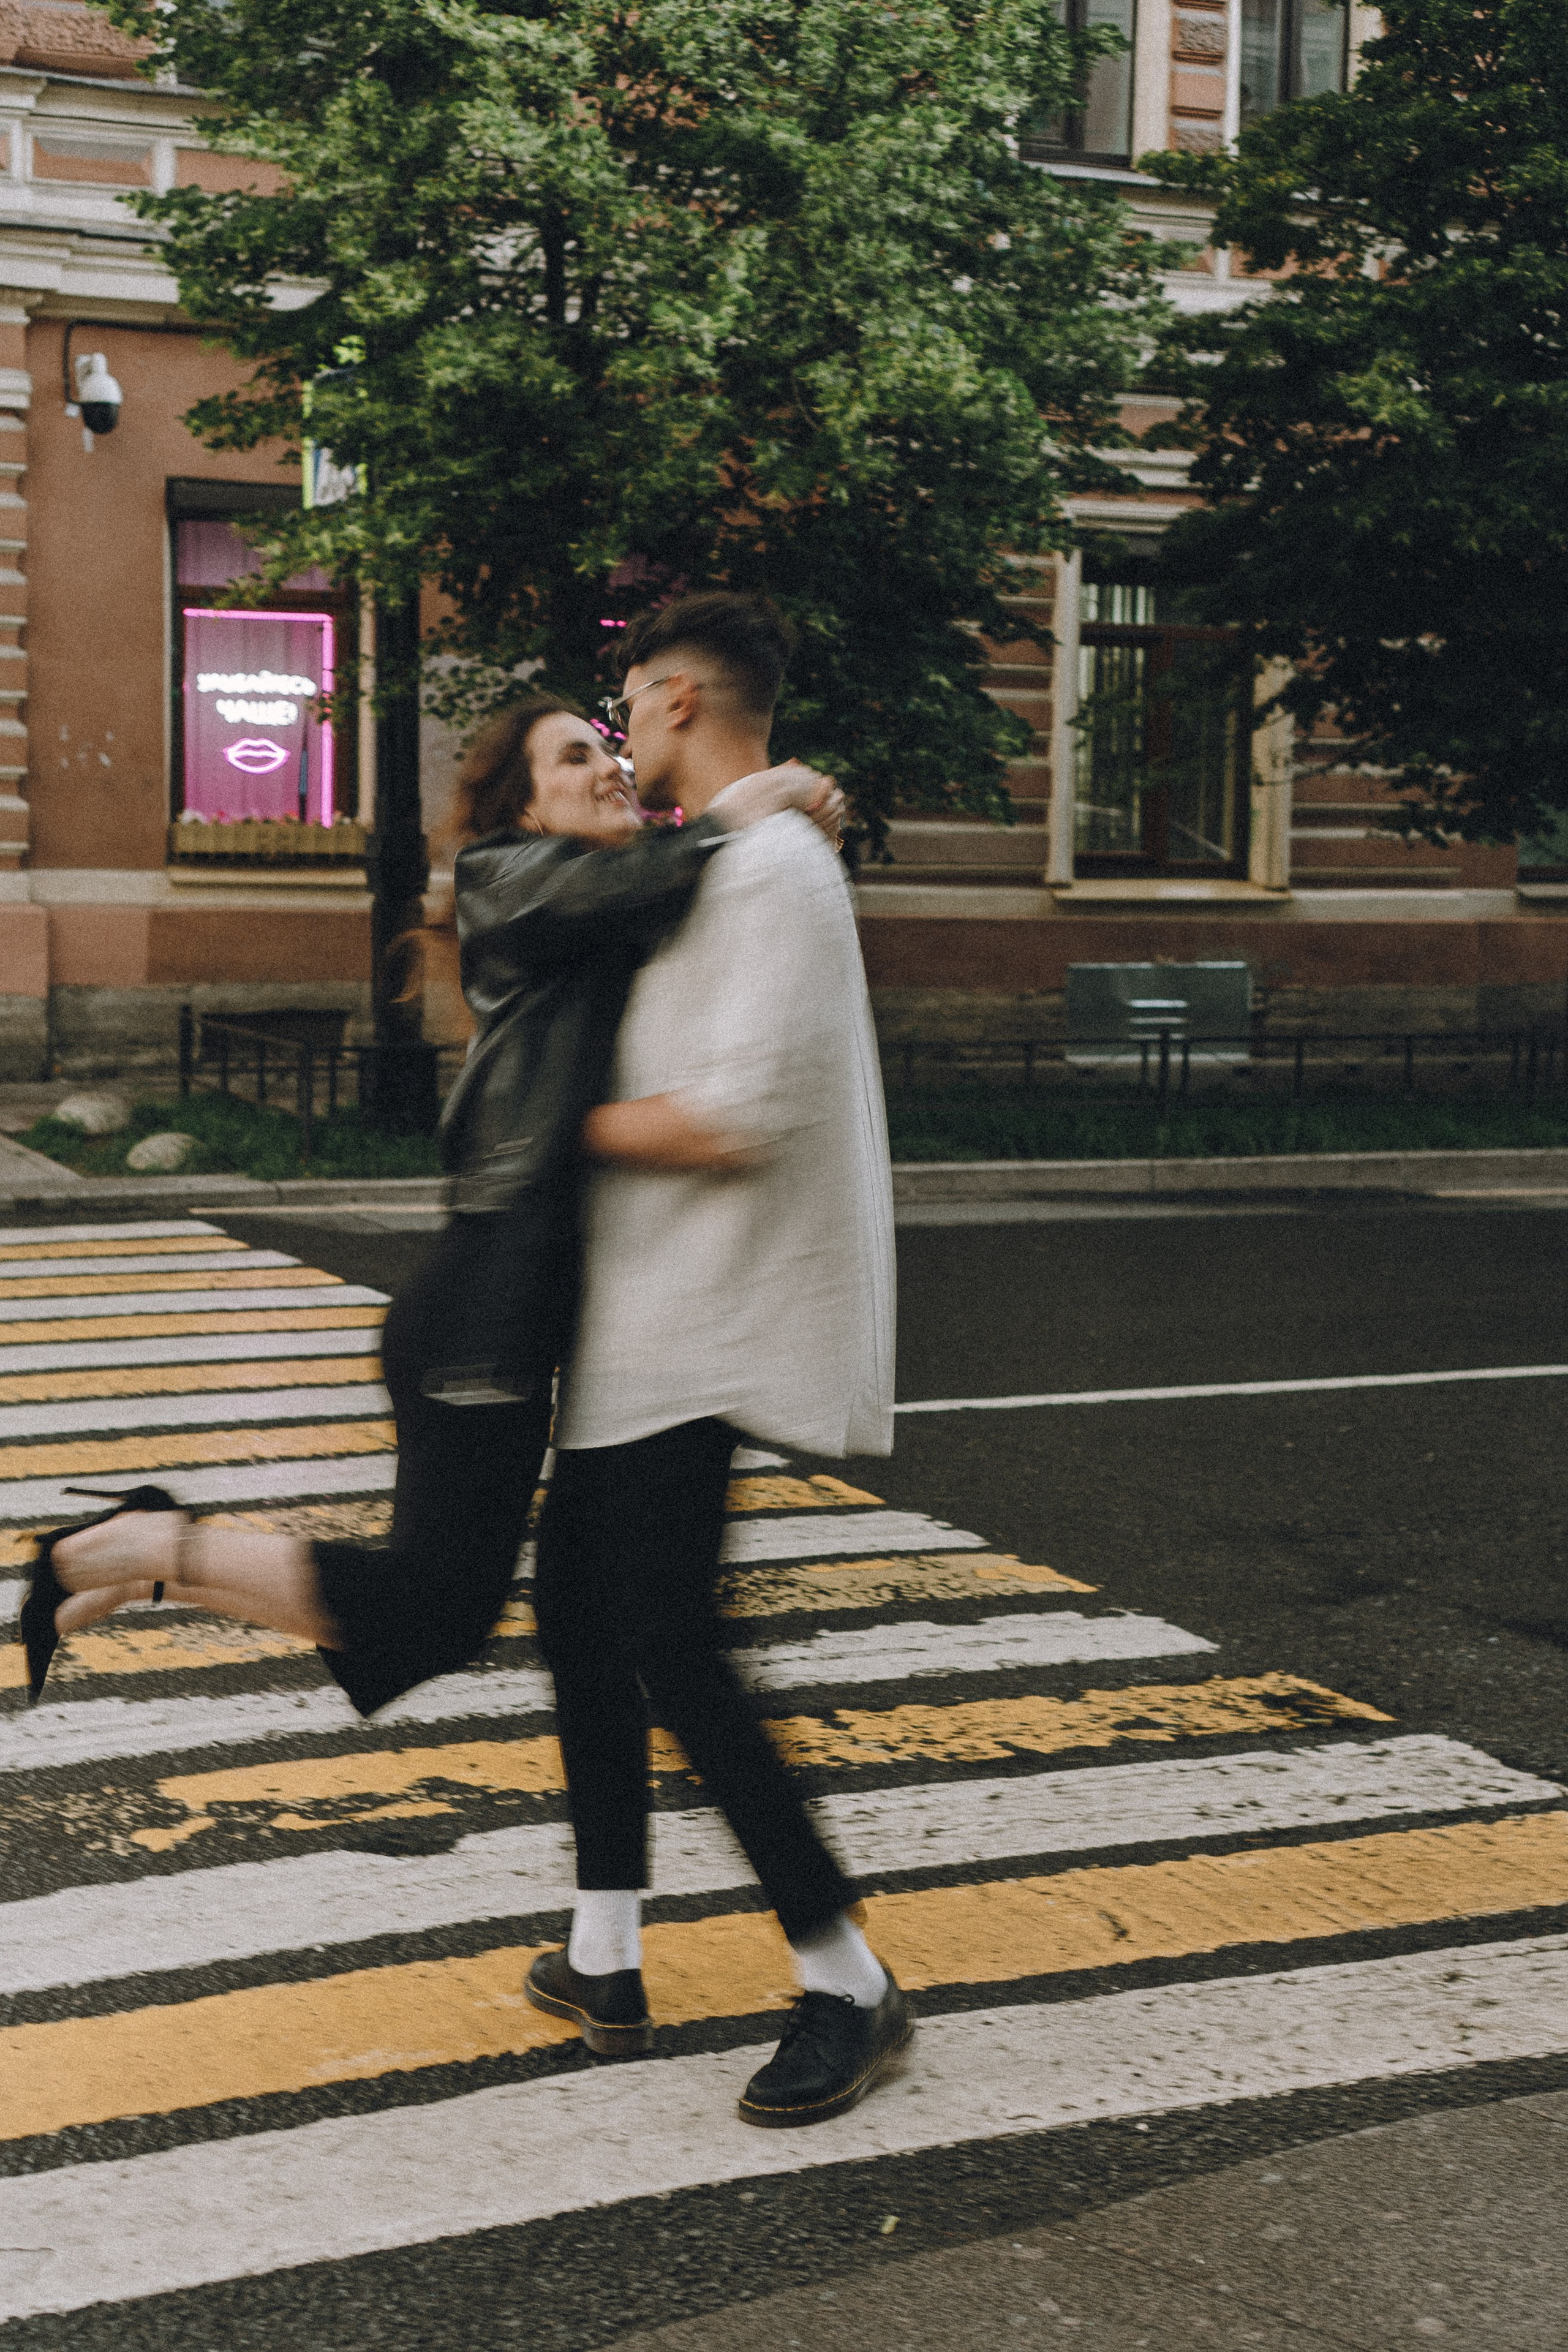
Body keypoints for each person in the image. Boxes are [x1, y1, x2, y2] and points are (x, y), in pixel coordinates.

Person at [20, 693, 840, 1717]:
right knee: (434, 1609)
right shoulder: (507, 875)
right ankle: (139, 1545)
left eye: (609, 750)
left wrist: (785, 816)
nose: (611, 768)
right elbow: (650, 872)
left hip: (498, 1314)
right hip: (483, 1314)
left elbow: (681, 911)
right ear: (527, 811)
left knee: (436, 1614)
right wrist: (749, 804)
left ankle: (145, 1560)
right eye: (574, 758)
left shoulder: (594, 913)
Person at [524, 590, 907, 2129]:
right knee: (575, 1618)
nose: (620, 733)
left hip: (694, 1323)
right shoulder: (729, 852)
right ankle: (603, 1953)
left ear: (676, 697)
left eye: (626, 703)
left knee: (672, 1646)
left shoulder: (777, 874)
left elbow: (737, 1114)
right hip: (633, 1321)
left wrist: (544, 1130)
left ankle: (846, 1981)